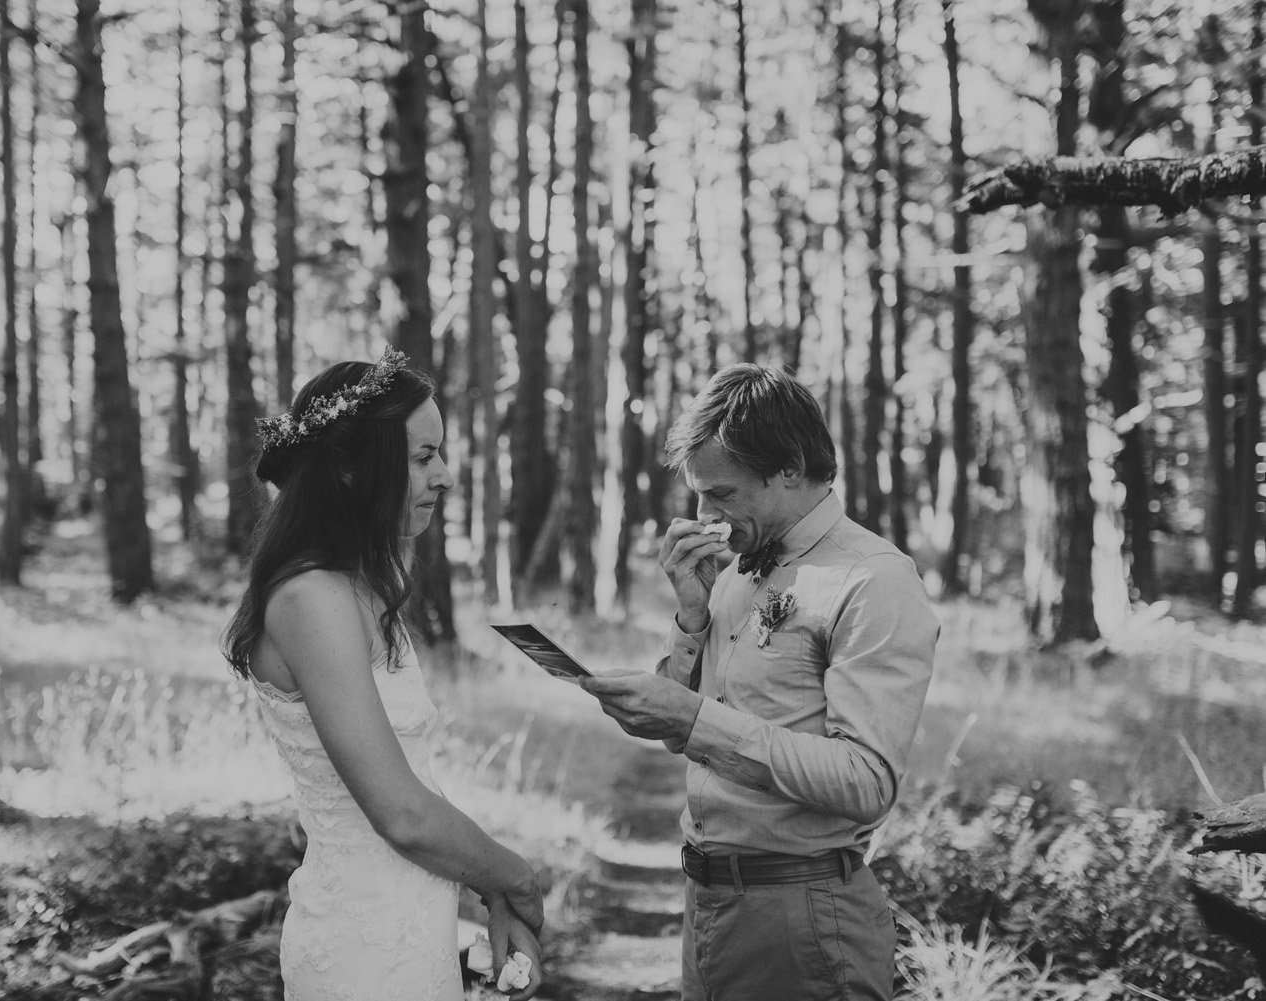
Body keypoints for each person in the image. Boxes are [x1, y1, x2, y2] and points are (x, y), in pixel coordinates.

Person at [580, 363, 938, 1001]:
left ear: (792, 469)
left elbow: (866, 781)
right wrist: (691, 617)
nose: (704, 513)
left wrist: (694, 721)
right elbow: (681, 737)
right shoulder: (736, 569)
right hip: (709, 907)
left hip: (805, 919)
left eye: (722, 493)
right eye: (698, 494)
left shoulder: (873, 579)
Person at [222, 347, 543, 1001]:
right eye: (423, 456)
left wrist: (486, 888)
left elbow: (417, 787)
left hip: (409, 932)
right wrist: (516, 877)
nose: (445, 475)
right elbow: (400, 811)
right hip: (357, 952)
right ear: (348, 469)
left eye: (441, 453)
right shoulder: (311, 599)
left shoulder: (363, 589)